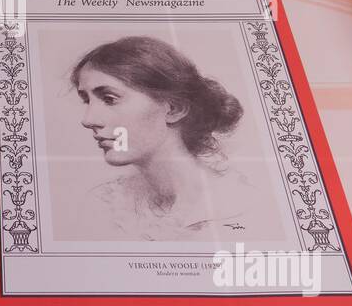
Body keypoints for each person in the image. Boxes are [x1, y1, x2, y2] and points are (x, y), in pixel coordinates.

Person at [72, 35, 250, 241]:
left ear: (174, 109)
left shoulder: (239, 206)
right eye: (86, 100)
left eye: (109, 99)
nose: (88, 120)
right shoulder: (106, 204)